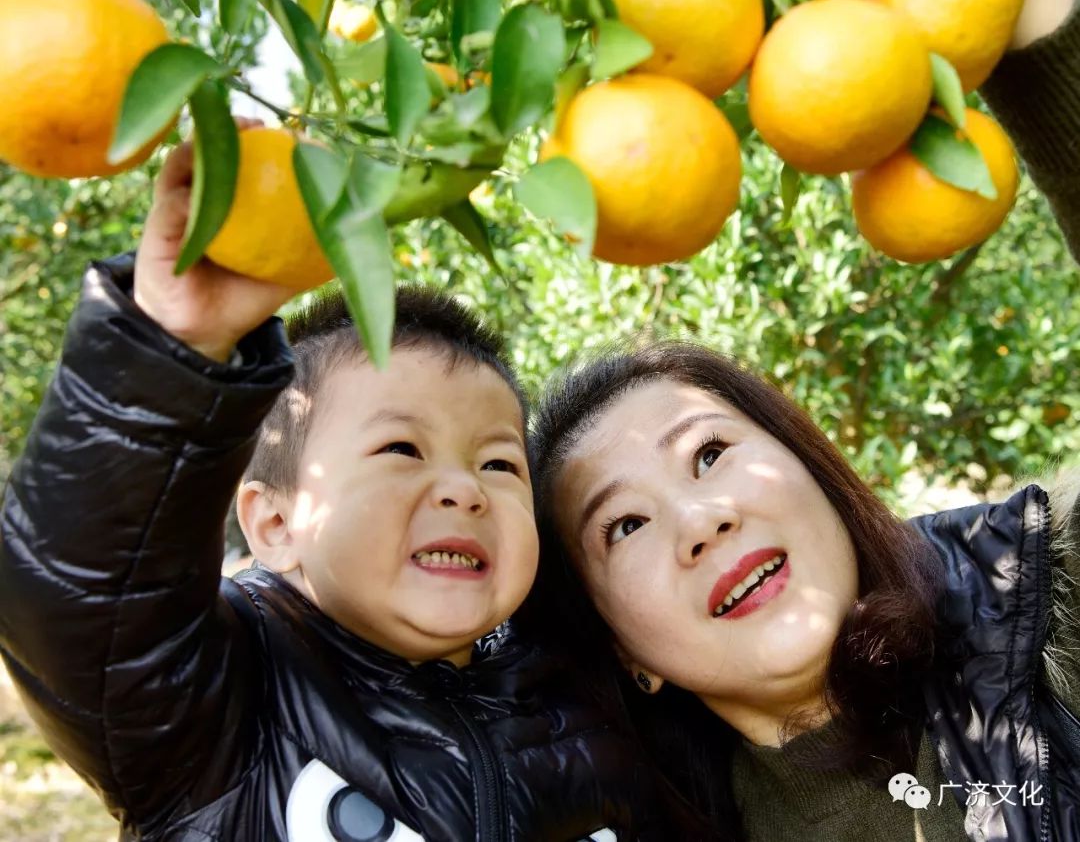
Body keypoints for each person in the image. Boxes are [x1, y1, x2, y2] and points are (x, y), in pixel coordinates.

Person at [520, 0, 1080, 841]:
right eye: (623, 527)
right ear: (623, 650)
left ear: (815, 472)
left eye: (709, 452)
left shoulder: (1034, 610)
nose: (702, 517)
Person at [0, 130, 665, 841]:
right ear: (276, 524)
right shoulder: (225, 703)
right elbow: (85, 599)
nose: (463, 490)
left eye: (500, 463)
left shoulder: (582, 712)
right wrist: (171, 348)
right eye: (401, 448)